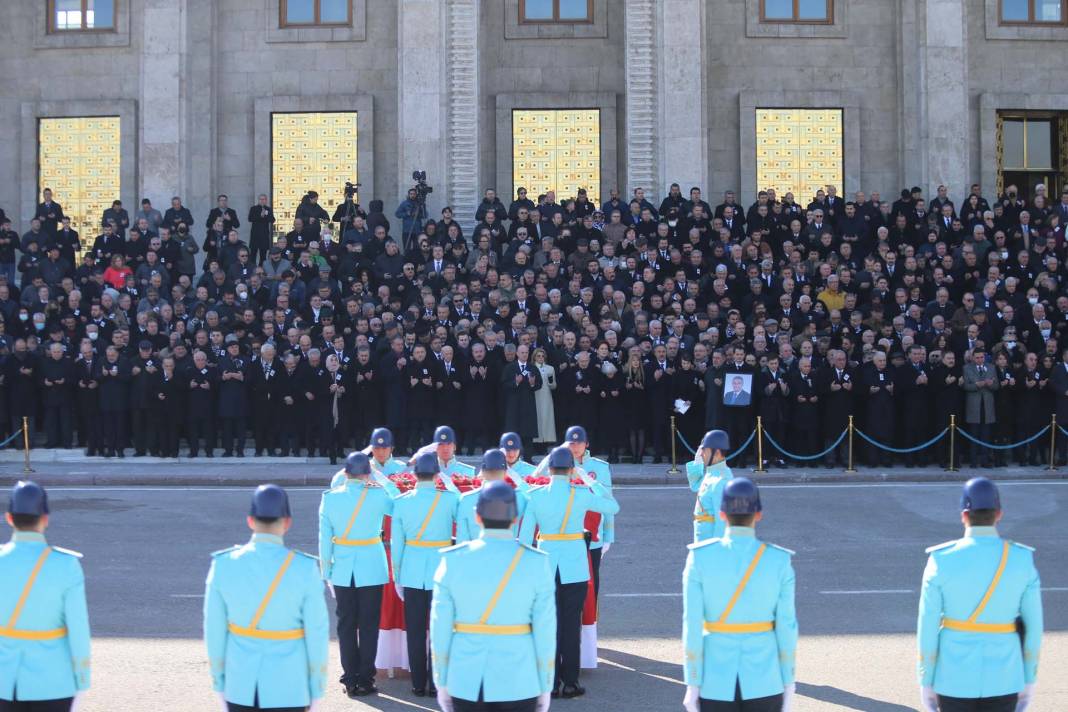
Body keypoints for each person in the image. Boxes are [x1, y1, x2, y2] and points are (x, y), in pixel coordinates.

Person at [917, 477, 1042, 712]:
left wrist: (926, 680)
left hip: (952, 677)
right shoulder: (1021, 558)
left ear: (964, 515)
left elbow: (927, 627)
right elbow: (1034, 627)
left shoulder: (941, 559)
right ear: (999, 514)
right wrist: (1029, 676)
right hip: (1005, 676)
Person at [430, 481, 555, 712]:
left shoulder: (453, 560)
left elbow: (440, 629)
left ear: (477, 517)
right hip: (520, 678)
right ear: (515, 519)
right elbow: (545, 630)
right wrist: (545, 683)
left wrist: (442, 680)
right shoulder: (536, 562)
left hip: (465, 677)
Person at [203, 484, 329, 712]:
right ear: (287, 522)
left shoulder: (223, 564)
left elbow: (214, 631)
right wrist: (317, 687)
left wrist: (219, 682)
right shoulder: (304, 568)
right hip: (290, 686)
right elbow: (317, 634)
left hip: (240, 683)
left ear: (250, 520)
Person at [682, 477, 797, 712]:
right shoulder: (779, 559)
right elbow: (787, 626)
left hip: (715, 679)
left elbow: (692, 624)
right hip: (765, 679)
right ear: (759, 514)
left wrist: (692, 681)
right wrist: (788, 679)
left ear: (722, 514)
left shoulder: (700, 557)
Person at [518, 445, 619, 698]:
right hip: (574, 566)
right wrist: (587, 479)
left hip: (545, 565)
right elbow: (612, 507)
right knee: (571, 624)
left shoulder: (536, 495)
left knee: (547, 625)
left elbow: (523, 538)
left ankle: (549, 683)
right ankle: (571, 682)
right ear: (572, 470)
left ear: (550, 468)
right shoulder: (581, 493)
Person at [0, 481, 91, 712]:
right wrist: (82, 680)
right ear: (45, 519)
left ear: (9, 518)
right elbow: (78, 629)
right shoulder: (66, 565)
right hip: (53, 682)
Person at [319, 453, 397, 699]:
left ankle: (350, 677)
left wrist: (326, 570)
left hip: (341, 567)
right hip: (372, 566)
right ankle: (366, 678)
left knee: (346, 624)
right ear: (366, 473)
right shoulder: (377, 494)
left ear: (345, 473)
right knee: (369, 624)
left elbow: (324, 538)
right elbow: (398, 503)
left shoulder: (330, 498)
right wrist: (381, 478)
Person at [390, 452, 459, 697]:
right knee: (439, 629)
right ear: (437, 475)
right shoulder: (449, 499)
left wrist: (397, 576)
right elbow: (461, 531)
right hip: (442, 569)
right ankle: (436, 680)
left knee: (416, 630)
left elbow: (396, 544)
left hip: (411, 570)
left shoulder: (402, 501)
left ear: (414, 474)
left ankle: (418, 683)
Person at [456, 449, 531, 543]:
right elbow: (536, 500)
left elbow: (462, 540)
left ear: (482, 471)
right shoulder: (518, 497)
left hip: (476, 555)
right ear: (505, 472)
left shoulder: (466, 499)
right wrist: (520, 482)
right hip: (510, 555)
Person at [686, 430, 731, 543]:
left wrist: (717, 550)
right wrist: (697, 463)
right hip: (704, 541)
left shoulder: (721, 481)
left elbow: (723, 521)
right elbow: (695, 486)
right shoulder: (712, 473)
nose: (700, 454)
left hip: (710, 545)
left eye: (704, 450)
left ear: (717, 453)